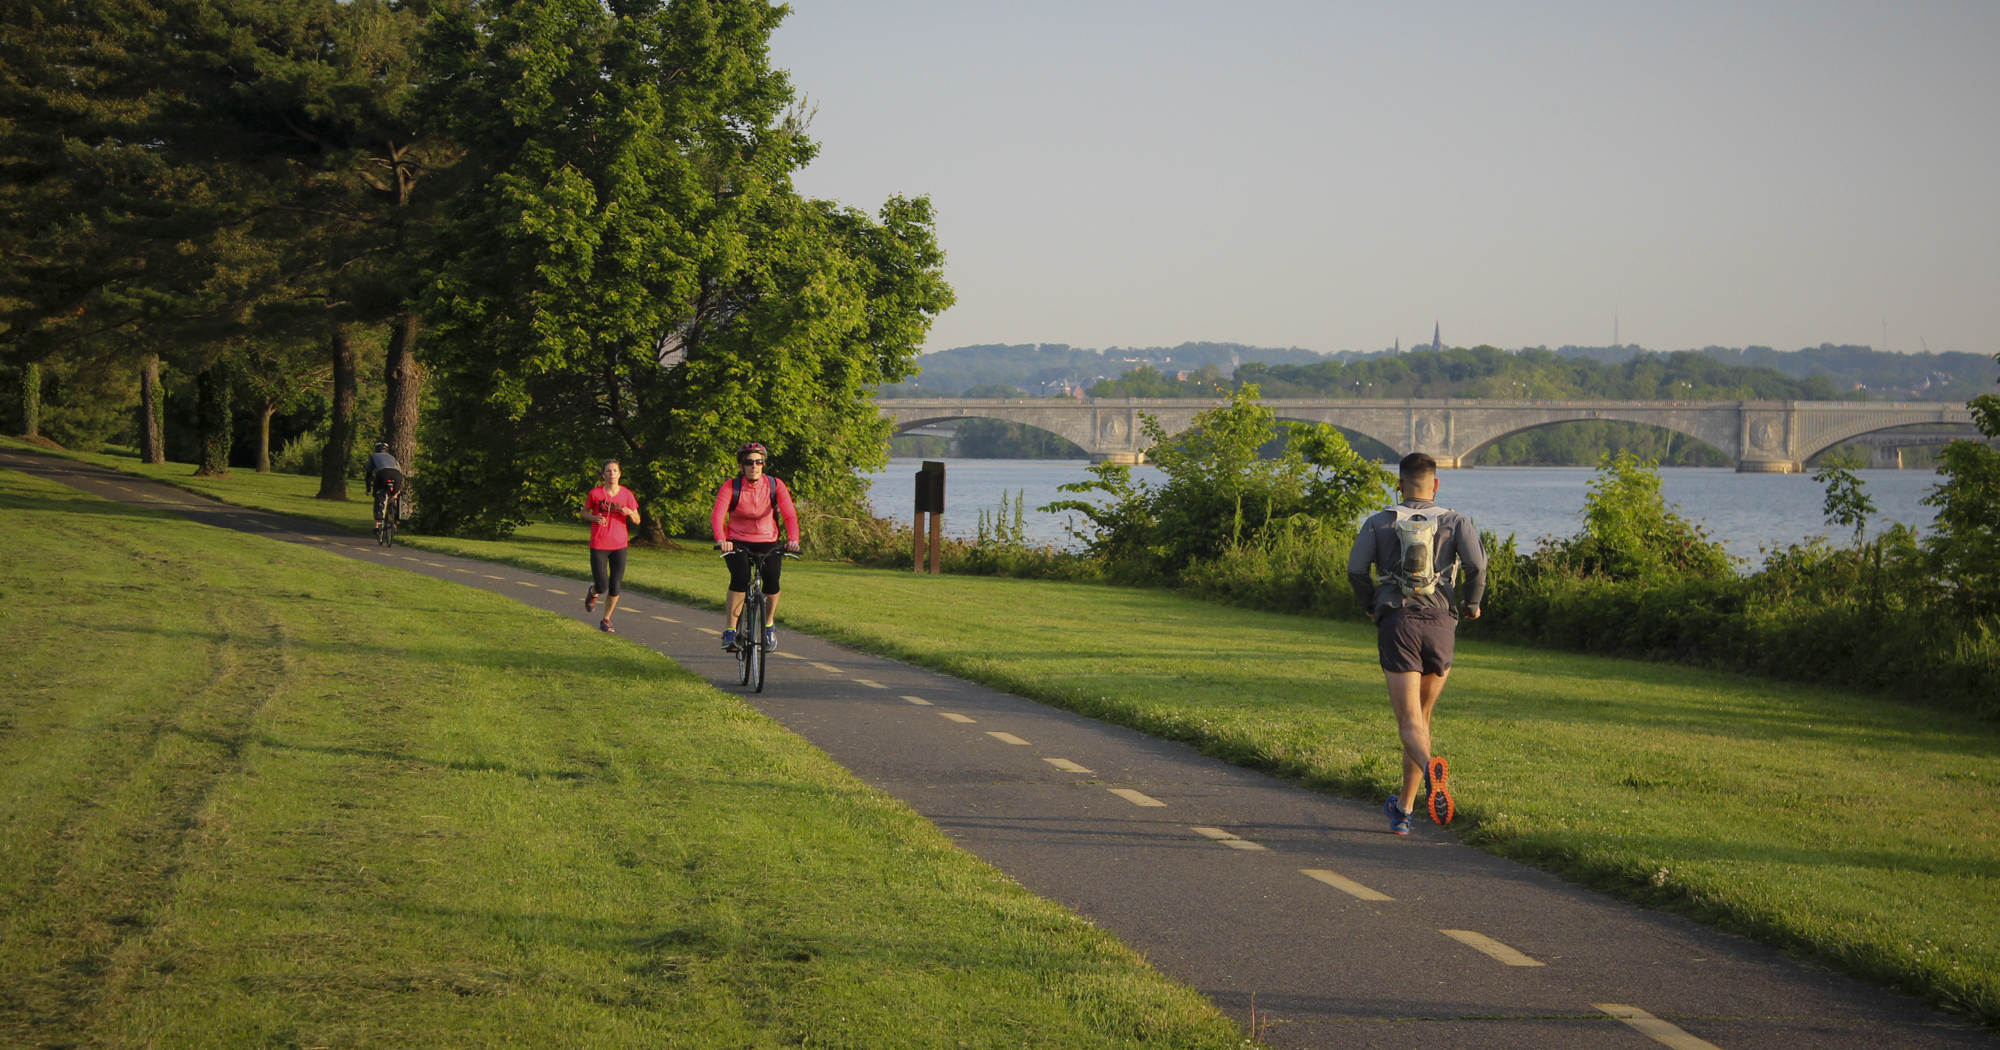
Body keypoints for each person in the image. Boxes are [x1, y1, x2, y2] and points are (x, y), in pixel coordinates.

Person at [1347, 452, 1487, 836]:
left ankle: (1430, 771)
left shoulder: (1378, 522)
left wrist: (1369, 605)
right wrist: (1471, 605)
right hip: (1441, 623)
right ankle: (1404, 811)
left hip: (1398, 622)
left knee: (1409, 723)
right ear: (1436, 484)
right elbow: (1477, 566)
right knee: (1422, 721)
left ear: (1399, 483)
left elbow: (1356, 570)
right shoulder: (1456, 521)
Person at [711, 442, 800, 651]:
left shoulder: (775, 485)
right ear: (742, 466)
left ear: (763, 464)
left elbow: (789, 514)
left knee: (772, 579)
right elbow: (718, 515)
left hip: (768, 539)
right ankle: (730, 631)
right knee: (740, 578)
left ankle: (768, 625)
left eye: (759, 462)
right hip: (737, 540)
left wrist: (793, 539)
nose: (754, 466)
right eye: (749, 462)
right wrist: (721, 539)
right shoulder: (731, 486)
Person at [581, 459, 641, 633]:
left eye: (615, 471)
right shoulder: (595, 494)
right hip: (599, 544)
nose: (612, 474)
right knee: (602, 585)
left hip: (619, 545)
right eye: (608, 471)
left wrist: (630, 513)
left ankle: (606, 619)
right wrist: (594, 517)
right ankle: (593, 591)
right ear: (603, 475)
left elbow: (637, 520)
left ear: (619, 474)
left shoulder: (627, 495)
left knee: (615, 585)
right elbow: (584, 512)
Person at [364, 442, 405, 530]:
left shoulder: (373, 457)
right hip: (397, 475)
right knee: (395, 495)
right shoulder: (392, 457)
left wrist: (368, 490)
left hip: (382, 473)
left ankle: (377, 525)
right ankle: (396, 519)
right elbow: (399, 469)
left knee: (378, 494)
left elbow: (368, 475)